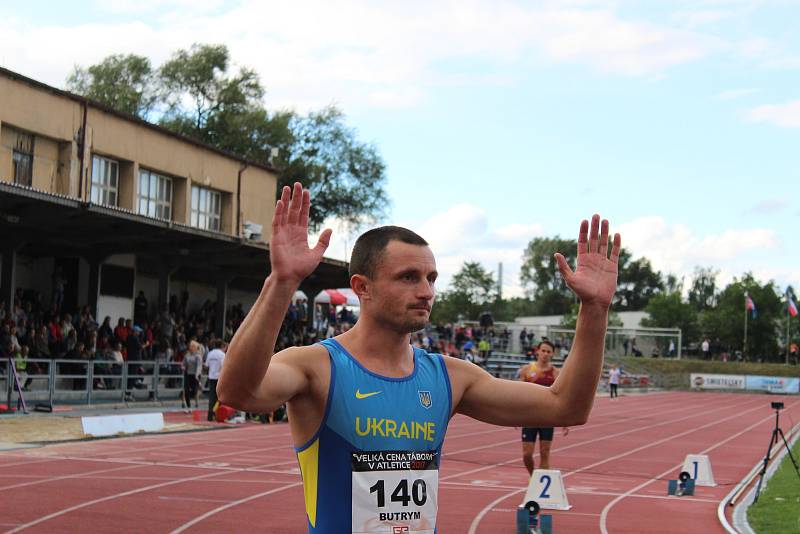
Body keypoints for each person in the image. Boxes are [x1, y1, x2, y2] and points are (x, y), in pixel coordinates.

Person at [217, 183, 621, 534]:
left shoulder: (450, 377)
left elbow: (566, 406)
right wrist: (282, 281)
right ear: (363, 287)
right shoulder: (316, 367)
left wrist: (596, 309)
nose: (426, 291)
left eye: (431, 278)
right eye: (409, 277)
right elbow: (237, 390)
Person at [517, 341, 569, 474]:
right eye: (543, 351)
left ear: (552, 354)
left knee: (545, 452)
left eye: (548, 352)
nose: (545, 354)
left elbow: (561, 396)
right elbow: (518, 393)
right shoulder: (527, 370)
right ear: (538, 351)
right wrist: (514, 414)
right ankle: (532, 475)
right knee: (527, 454)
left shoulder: (556, 373)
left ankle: (539, 483)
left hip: (547, 417)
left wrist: (565, 420)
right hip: (529, 417)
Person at [205, 340, 226, 421]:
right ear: (221, 346)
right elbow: (223, 367)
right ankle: (217, 414)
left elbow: (206, 365)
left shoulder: (210, 353)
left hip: (211, 377)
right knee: (220, 398)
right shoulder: (222, 355)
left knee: (211, 397)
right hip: (219, 378)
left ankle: (210, 415)